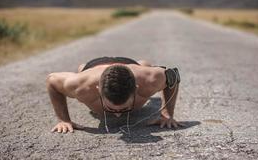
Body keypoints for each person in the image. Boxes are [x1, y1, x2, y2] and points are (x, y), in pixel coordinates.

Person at [46, 56, 181, 134]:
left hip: (130, 65)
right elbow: (51, 80)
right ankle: (83, 68)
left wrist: (167, 115)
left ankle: (142, 64)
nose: (117, 115)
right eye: (111, 109)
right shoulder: (81, 85)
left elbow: (173, 76)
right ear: (98, 90)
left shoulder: (151, 79)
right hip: (94, 67)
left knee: (144, 66)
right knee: (82, 69)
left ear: (135, 89)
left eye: (124, 109)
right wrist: (64, 120)